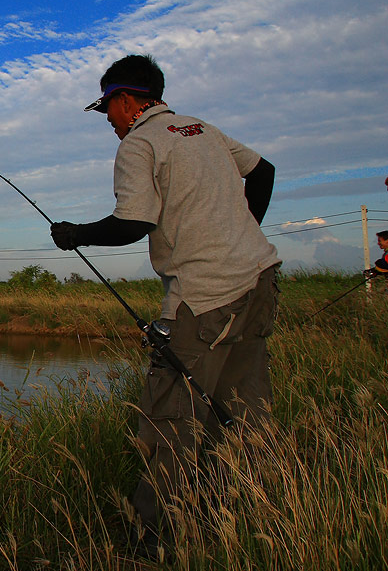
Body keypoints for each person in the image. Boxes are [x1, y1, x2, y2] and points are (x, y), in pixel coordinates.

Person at [50, 54, 281, 551]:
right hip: (260, 279)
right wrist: (245, 232)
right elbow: (263, 173)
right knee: (240, 408)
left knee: (170, 422)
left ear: (125, 100)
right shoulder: (201, 128)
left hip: (204, 298)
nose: (108, 121)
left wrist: (76, 234)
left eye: (107, 109)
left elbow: (134, 224)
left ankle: (151, 545)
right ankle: (236, 518)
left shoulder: (140, 143)